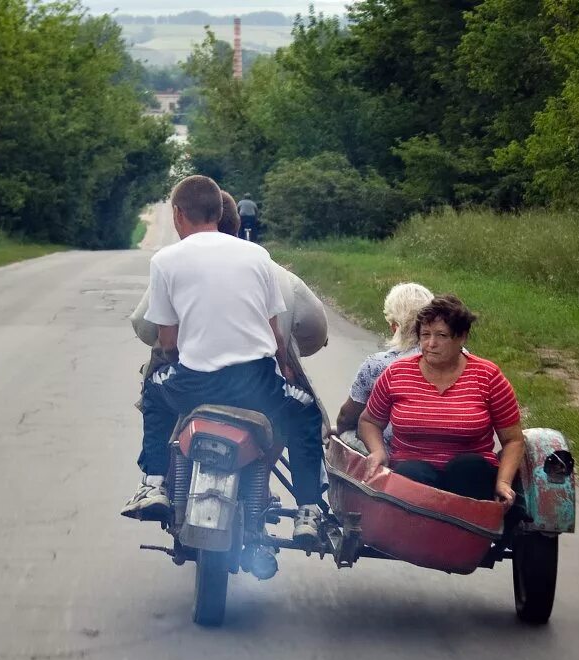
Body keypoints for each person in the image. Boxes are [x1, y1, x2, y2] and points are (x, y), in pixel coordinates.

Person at [121, 175, 324, 541]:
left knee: (153, 390)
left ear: (178, 214)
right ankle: (308, 509)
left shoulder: (166, 261)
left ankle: (154, 483)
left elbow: (167, 342)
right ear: (221, 212)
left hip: (195, 387)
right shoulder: (258, 256)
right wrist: (288, 370)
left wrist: (185, 359)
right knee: (305, 412)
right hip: (257, 387)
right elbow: (276, 334)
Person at [357, 294, 522, 511]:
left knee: (467, 467)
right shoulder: (397, 373)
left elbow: (513, 440)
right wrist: (378, 451)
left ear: (461, 337)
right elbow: (369, 421)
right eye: (425, 335)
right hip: (412, 475)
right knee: (412, 473)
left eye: (441, 335)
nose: (431, 344)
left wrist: (503, 482)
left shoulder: (488, 376)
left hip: (470, 481)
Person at [335, 282, 433, 438]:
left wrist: (339, 430)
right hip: (453, 449)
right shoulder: (459, 356)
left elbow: (347, 416)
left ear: (394, 326)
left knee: (346, 434)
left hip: (394, 451)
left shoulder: (378, 364)